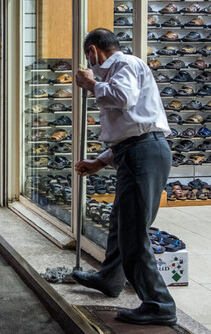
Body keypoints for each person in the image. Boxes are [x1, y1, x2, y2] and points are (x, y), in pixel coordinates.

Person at [73, 28, 175, 326]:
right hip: (134, 152)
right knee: (121, 221)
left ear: (92, 51)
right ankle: (109, 279)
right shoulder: (118, 70)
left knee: (134, 231)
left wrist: (92, 84)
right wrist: (101, 161)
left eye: (88, 57)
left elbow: (125, 99)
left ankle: (159, 304)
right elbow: (129, 131)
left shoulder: (124, 64)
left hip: (144, 153)